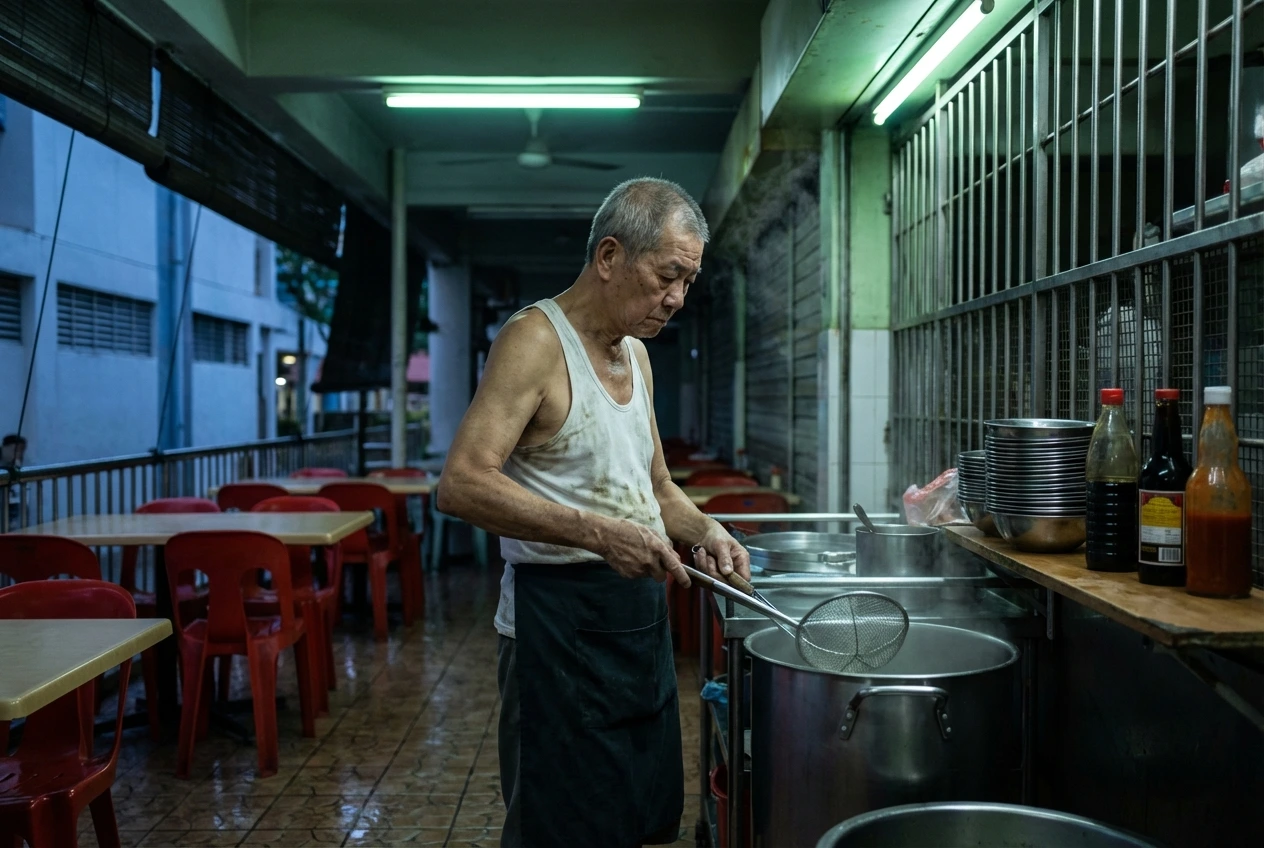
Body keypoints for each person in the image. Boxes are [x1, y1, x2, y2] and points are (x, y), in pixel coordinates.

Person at [436, 177, 751, 848]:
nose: (677, 299)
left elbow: (658, 488)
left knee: (635, 817)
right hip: (556, 628)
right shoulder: (534, 341)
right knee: (562, 826)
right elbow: (461, 483)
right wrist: (599, 534)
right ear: (609, 257)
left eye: (688, 282)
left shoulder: (636, 354)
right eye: (668, 276)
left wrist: (710, 530)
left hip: (635, 623)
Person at [2, 433, 26, 530]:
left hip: (11, 502)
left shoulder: (16, 465)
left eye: (21, 451)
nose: (19, 454)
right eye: (16, 450)